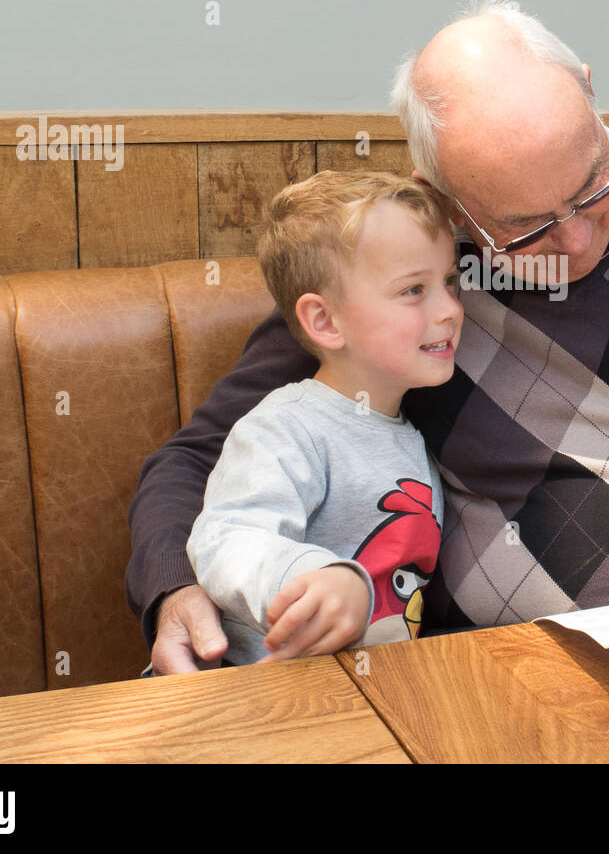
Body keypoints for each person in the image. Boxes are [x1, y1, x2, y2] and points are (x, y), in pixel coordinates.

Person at [127, 0, 609, 675]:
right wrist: (174, 589)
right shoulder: (406, 280)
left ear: (590, 94)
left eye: (592, 189)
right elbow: (196, 461)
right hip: (529, 690)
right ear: (447, 201)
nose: (574, 243)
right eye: (526, 228)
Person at [185, 170, 462, 663]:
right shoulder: (288, 428)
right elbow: (226, 536)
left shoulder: (416, 437)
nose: (450, 310)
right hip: (271, 704)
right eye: (413, 290)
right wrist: (313, 576)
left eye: (449, 282)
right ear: (325, 321)